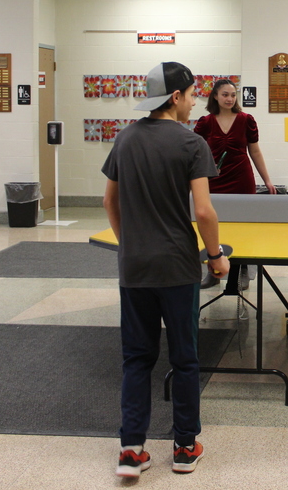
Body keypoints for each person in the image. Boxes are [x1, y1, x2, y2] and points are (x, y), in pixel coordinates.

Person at [102, 61, 230, 477]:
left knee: (136, 358)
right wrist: (215, 256)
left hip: (134, 266)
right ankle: (184, 447)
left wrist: (130, 245)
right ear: (175, 97)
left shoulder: (124, 139)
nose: (195, 102)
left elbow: (110, 203)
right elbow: (205, 212)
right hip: (177, 266)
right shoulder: (191, 144)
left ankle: (131, 450)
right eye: (193, 94)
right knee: (185, 358)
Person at [194, 78, 276, 288]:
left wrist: (267, 180)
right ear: (215, 96)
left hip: (241, 177)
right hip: (213, 180)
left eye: (232, 95)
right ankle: (213, 270)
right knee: (212, 225)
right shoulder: (205, 122)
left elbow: (255, 151)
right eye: (225, 95)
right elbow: (196, 153)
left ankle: (242, 272)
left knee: (243, 225)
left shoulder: (246, 119)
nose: (229, 99)